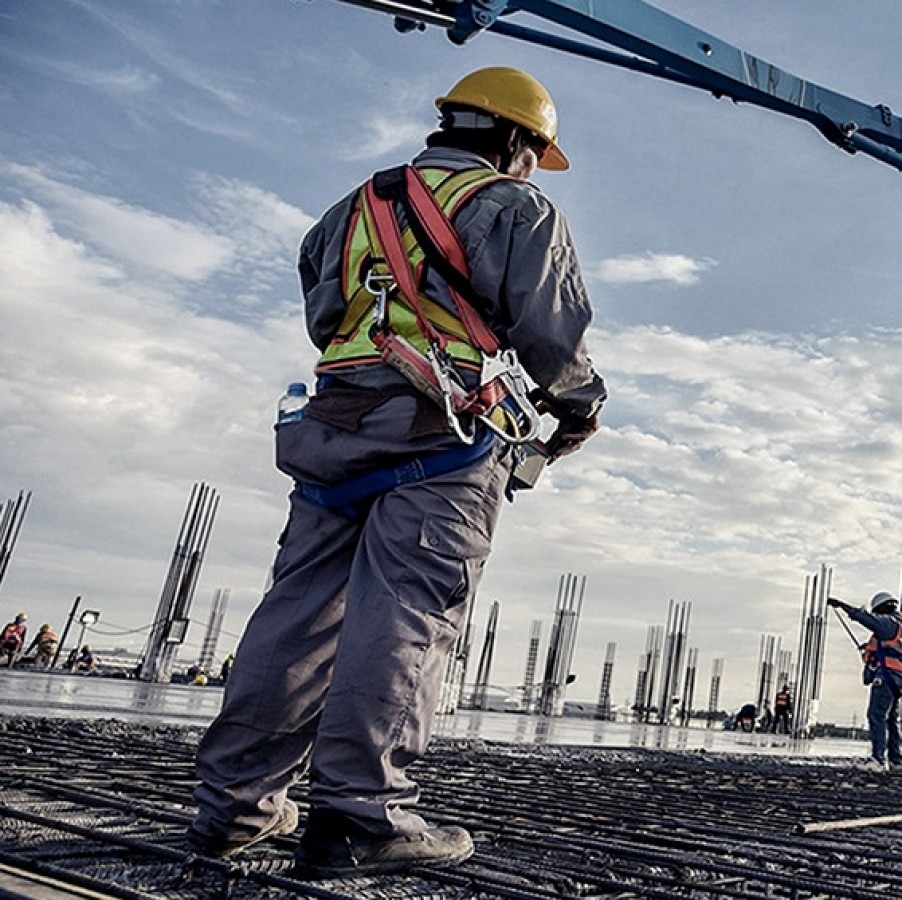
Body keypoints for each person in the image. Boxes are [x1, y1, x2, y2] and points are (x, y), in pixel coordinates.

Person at [189, 66, 605, 880]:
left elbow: (323, 315)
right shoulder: (517, 208)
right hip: (443, 439)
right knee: (407, 614)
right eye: (533, 152)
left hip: (334, 430)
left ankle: (233, 808)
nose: (531, 167)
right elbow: (552, 333)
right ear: (516, 140)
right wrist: (581, 406)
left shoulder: (349, 210)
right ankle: (358, 815)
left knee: (297, 616)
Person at [827, 592, 902, 770]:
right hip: (900, 678)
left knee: (876, 716)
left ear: (883, 608)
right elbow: (893, 649)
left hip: (887, 676)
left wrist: (842, 605)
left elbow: (865, 618)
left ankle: (878, 760)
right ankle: (897, 760)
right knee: (891, 719)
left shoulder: (888, 622)